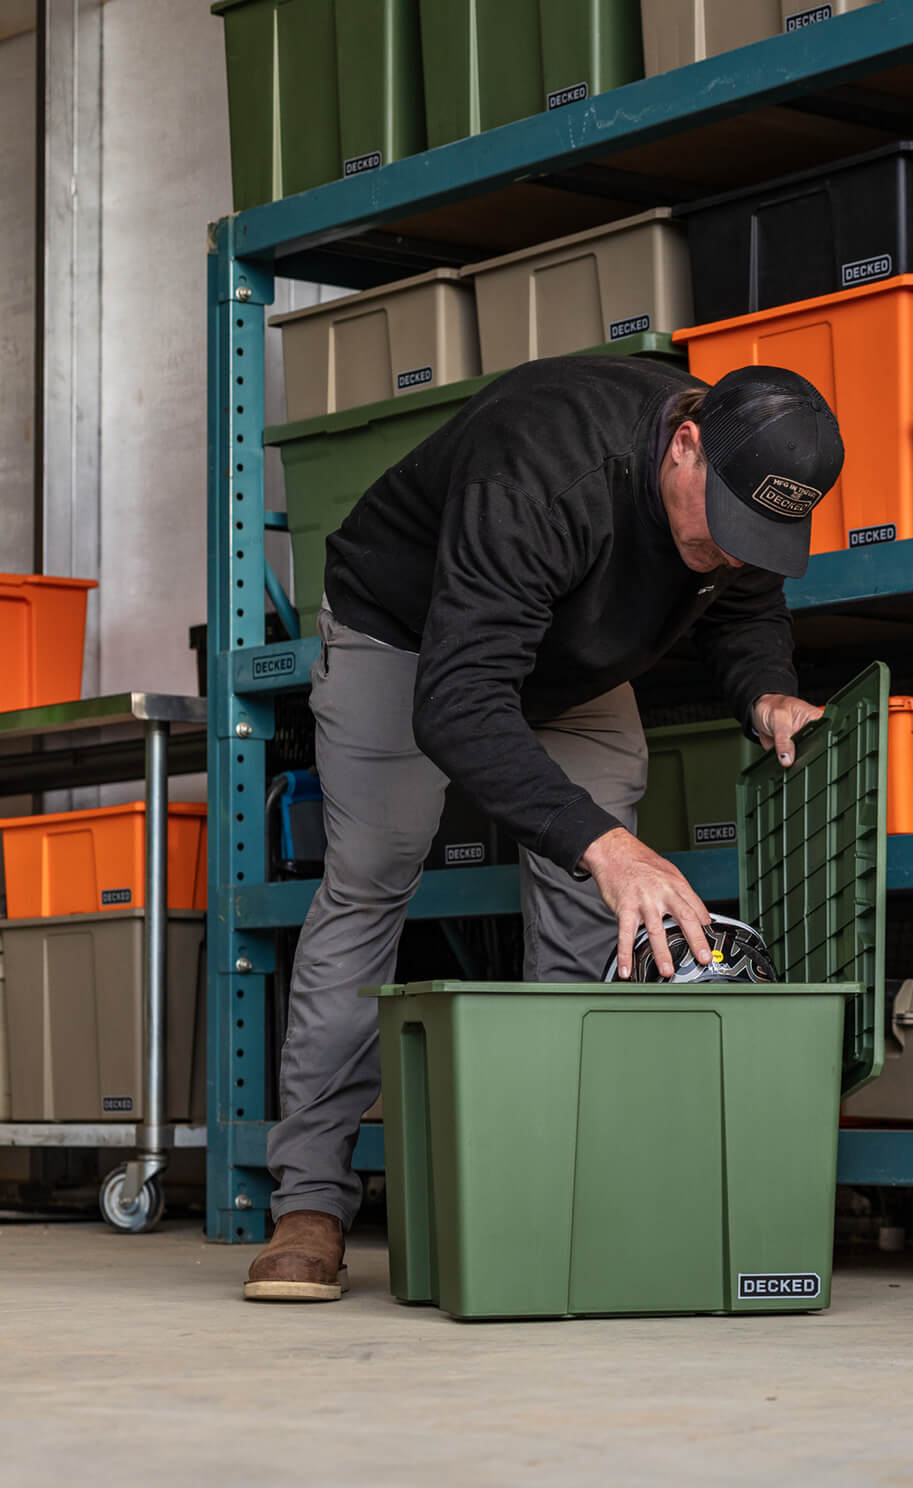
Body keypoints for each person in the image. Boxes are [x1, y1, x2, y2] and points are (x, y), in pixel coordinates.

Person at [243, 354, 844, 1301]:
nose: (732, 552)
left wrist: (765, 693)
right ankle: (309, 1204)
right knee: (374, 870)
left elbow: (749, 604)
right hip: (410, 638)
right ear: (684, 444)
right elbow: (459, 701)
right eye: (723, 526)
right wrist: (602, 840)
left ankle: (546, 1179)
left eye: (757, 536)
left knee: (591, 885)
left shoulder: (735, 502)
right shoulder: (543, 467)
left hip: (570, 661)